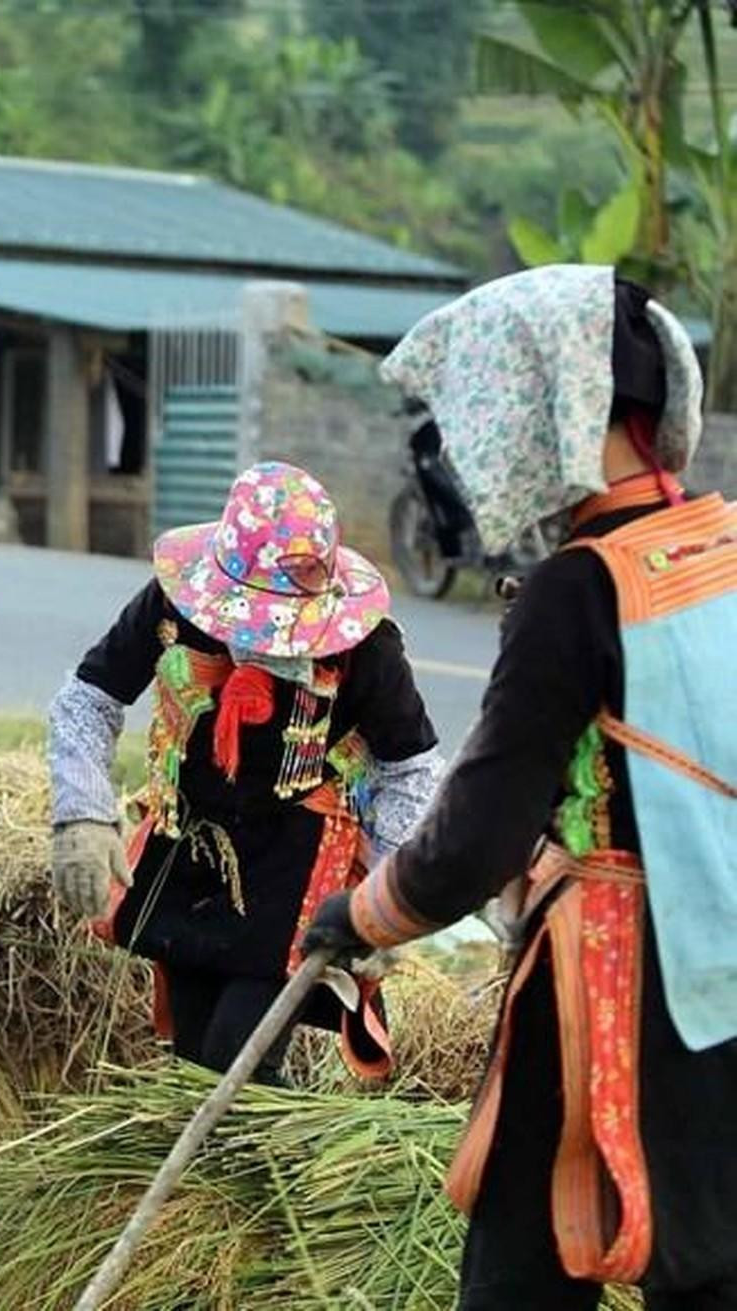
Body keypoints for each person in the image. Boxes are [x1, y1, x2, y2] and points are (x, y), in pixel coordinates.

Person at [304, 266, 737, 1309]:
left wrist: (355, 918)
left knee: (526, 1258)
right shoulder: (719, 549)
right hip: (721, 960)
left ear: (546, 408)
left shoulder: (576, 588)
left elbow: (479, 834)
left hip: (611, 968)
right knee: (711, 1249)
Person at [48, 461, 444, 1083]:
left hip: (293, 867)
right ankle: (216, 1177)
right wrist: (82, 814)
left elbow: (411, 769)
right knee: (193, 1058)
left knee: (238, 1064)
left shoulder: (365, 647)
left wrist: (384, 904)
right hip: (191, 849)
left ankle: (274, 1170)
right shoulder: (172, 606)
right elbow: (89, 699)